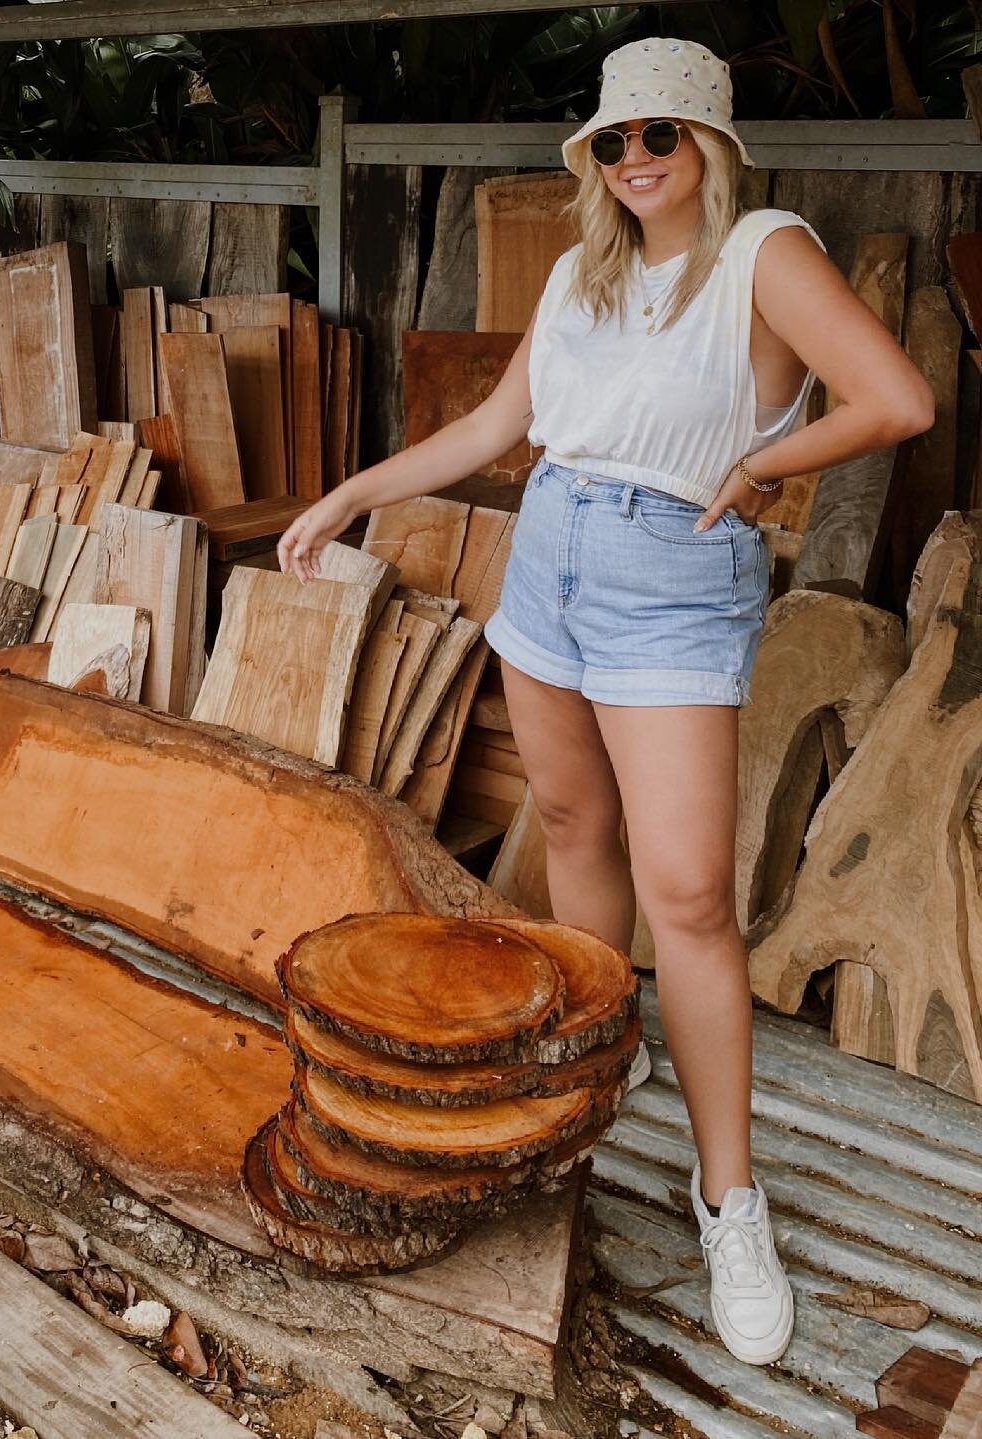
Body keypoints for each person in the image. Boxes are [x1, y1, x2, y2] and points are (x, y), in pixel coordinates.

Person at [276, 36, 933, 1367]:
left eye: (662, 138)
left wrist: (762, 467)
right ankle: (601, 1050)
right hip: (553, 555)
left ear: (711, 146)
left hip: (676, 577)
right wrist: (356, 491)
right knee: (574, 828)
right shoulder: (582, 273)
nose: (637, 160)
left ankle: (727, 1197)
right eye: (615, 141)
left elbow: (897, 399)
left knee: (686, 891)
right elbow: (495, 433)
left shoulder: (768, 254)